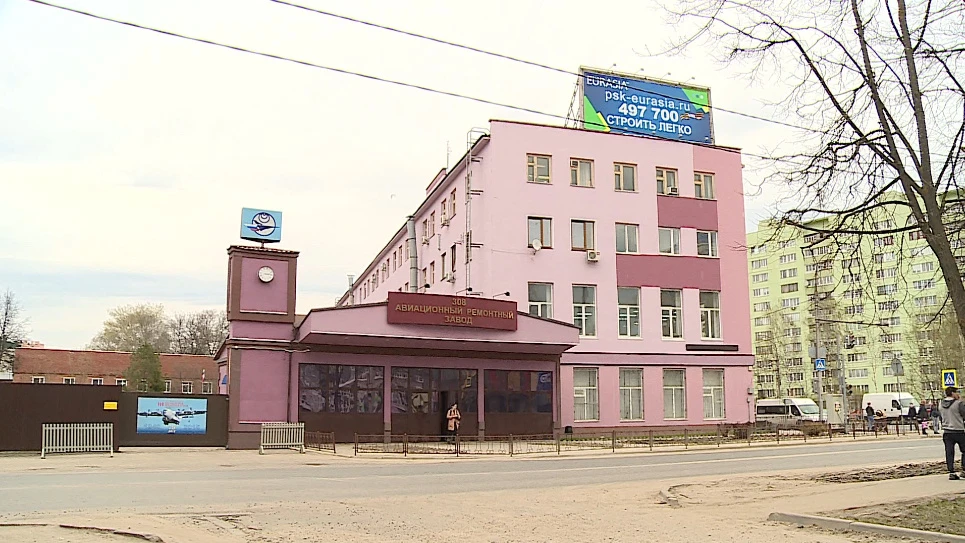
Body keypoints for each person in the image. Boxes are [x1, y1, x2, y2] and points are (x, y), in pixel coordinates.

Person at [939, 387, 965, 480]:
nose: (958, 394)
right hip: (959, 430)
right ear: (952, 393)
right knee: (964, 451)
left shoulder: (940, 404)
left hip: (947, 431)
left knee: (949, 452)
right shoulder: (958, 403)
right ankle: (964, 470)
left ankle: (951, 472)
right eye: (957, 392)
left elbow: (941, 417)